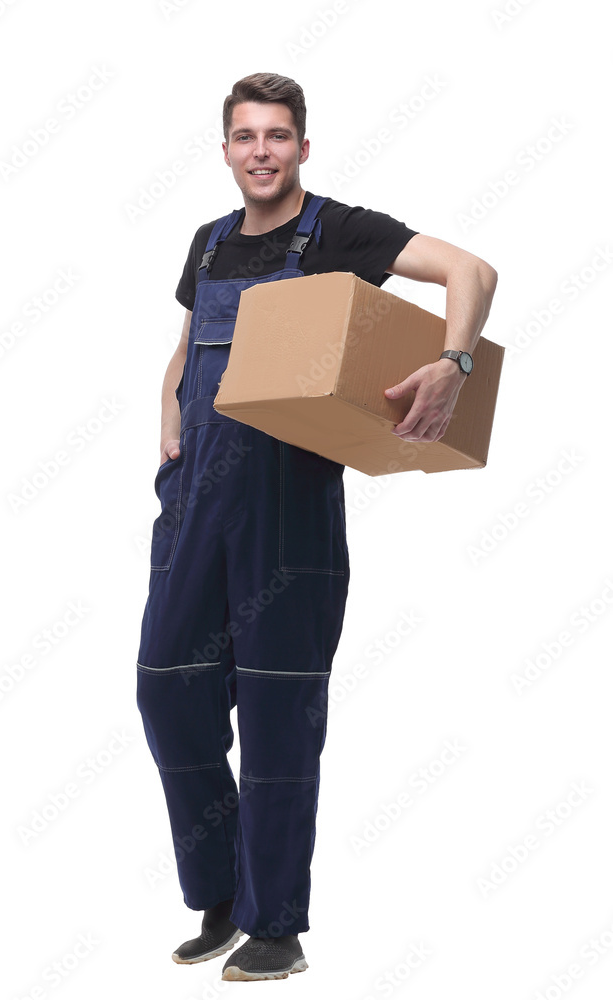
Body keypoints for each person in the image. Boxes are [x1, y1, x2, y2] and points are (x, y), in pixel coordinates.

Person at [136, 72, 497, 983]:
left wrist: (451, 362)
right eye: (245, 136)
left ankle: (275, 925)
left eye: (278, 135)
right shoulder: (209, 243)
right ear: (225, 149)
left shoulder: (337, 231)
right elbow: (185, 350)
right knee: (166, 692)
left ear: (303, 146)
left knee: (275, 717)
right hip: (193, 505)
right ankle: (220, 895)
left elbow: (471, 270)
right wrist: (169, 420)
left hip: (287, 515)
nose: (261, 151)